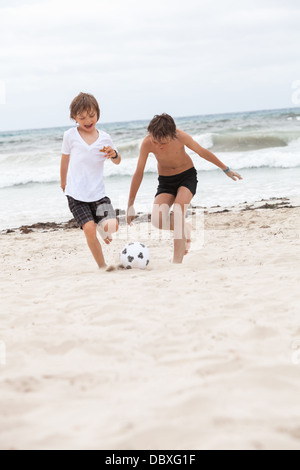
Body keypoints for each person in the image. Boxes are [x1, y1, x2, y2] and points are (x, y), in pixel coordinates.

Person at [127, 113, 242, 264]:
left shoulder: (181, 136)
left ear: (172, 134)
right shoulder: (147, 143)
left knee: (178, 213)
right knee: (157, 220)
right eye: (156, 141)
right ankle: (185, 228)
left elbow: (202, 152)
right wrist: (130, 205)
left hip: (186, 177)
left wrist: (226, 169)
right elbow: (139, 173)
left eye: (164, 142)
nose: (159, 146)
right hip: (166, 182)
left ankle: (177, 261)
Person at [60, 92, 121, 269]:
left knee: (112, 226)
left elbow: (117, 161)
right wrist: (63, 183)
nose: (88, 120)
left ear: (98, 113)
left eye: (92, 115)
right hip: (76, 194)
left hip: (98, 193)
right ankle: (102, 266)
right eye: (82, 117)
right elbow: (64, 160)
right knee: (88, 229)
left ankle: (102, 228)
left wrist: (114, 154)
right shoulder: (70, 135)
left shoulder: (105, 138)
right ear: (74, 118)